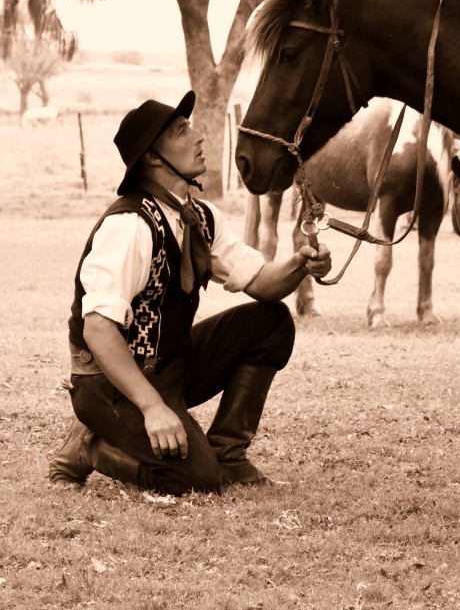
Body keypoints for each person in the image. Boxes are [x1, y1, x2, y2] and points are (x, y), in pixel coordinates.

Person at [47, 91, 331, 494]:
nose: (198, 137)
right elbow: (97, 330)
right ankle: (92, 445)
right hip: (109, 384)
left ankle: (228, 453)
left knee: (271, 322)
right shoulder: (128, 227)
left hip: (170, 365)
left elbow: (264, 283)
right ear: (151, 156)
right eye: (182, 131)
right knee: (195, 478)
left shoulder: (199, 215)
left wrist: (300, 263)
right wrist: (152, 408)